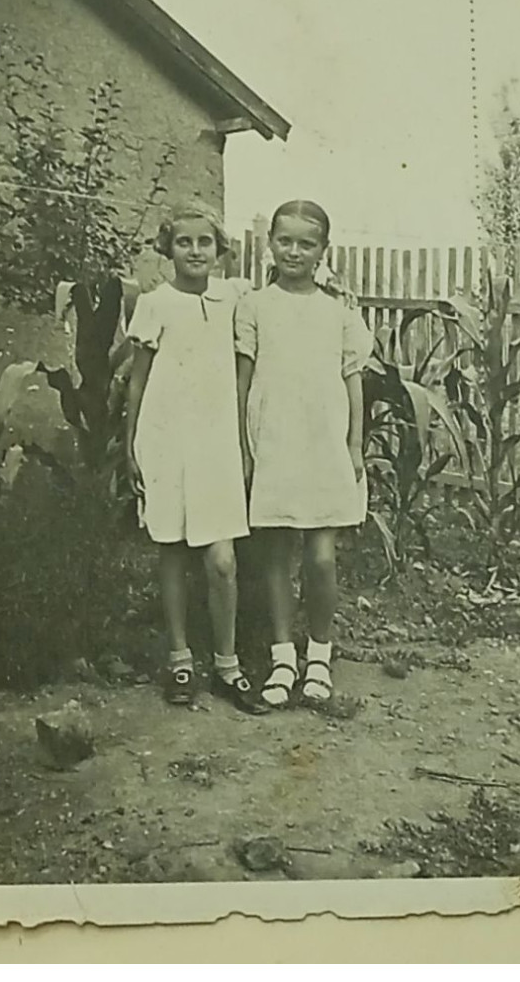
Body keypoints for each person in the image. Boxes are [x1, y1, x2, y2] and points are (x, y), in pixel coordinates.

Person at [125, 200, 269, 715]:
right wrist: (130, 445)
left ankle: (228, 663)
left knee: (222, 561)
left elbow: (279, 293)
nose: (194, 251)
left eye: (204, 242)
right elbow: (138, 380)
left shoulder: (234, 296)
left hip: (216, 444)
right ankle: (180, 657)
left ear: (220, 248)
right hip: (165, 437)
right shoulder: (155, 303)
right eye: (183, 242)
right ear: (168, 248)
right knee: (170, 546)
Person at [235, 200, 373, 707]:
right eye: (285, 240)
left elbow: (353, 383)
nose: (294, 251)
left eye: (306, 243)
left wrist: (355, 445)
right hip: (272, 440)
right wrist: (244, 447)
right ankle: (281, 658)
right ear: (269, 243)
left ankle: (319, 654)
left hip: (324, 444)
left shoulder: (339, 311)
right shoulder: (253, 306)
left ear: (323, 251)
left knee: (319, 557)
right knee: (276, 554)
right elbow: (243, 380)